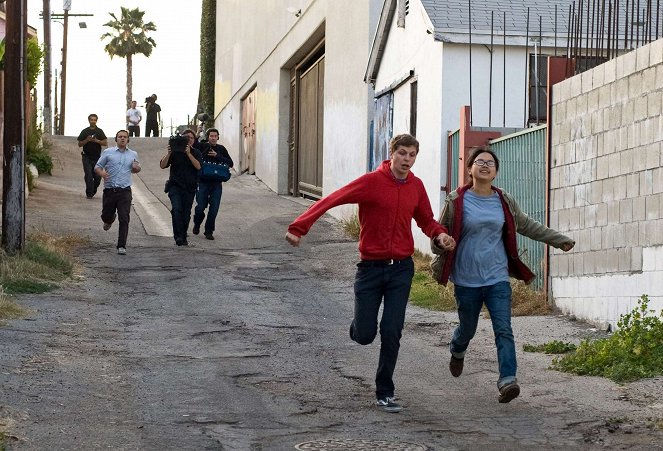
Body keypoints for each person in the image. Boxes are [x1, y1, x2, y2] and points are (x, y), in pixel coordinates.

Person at [285, 134, 455, 413]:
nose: (407, 160)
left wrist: (440, 236)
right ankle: (359, 326)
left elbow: (425, 219)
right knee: (365, 334)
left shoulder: (416, 186)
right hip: (370, 270)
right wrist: (299, 227)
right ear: (392, 154)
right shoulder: (371, 182)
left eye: (412, 155)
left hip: (401, 268)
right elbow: (331, 200)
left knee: (392, 330)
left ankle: (384, 391)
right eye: (402, 153)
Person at [430, 145, 575, 404]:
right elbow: (439, 233)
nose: (485, 166)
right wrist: (441, 242)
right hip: (466, 278)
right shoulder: (456, 200)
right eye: (479, 162)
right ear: (470, 169)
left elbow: (527, 225)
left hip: (497, 277)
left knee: (504, 329)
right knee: (467, 329)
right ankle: (457, 349)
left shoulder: (503, 200)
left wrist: (558, 239)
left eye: (490, 163)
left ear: (495, 172)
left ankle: (507, 380)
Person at [94, 130, 141, 255]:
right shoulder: (108, 152)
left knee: (124, 218)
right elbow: (97, 167)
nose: (122, 139)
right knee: (106, 215)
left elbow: (136, 168)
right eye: (120, 137)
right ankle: (109, 219)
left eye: (125, 137)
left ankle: (121, 245)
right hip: (110, 190)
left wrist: (136, 169)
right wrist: (102, 173)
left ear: (128, 140)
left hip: (125, 191)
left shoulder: (133, 154)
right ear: (116, 139)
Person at [160, 129, 202, 246]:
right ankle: (178, 236)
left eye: (192, 138)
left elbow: (198, 167)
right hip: (175, 186)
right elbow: (163, 165)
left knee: (186, 213)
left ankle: (183, 236)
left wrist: (188, 153)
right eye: (186, 138)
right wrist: (169, 153)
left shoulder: (196, 152)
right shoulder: (175, 151)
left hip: (189, 187)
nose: (189, 140)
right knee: (177, 209)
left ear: (194, 141)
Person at [193, 128, 234, 240]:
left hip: (216, 183)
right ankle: (197, 223)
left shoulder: (221, 149)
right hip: (203, 182)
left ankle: (209, 231)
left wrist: (217, 156)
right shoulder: (202, 146)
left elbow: (230, 163)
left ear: (218, 137)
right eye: (211, 136)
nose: (213, 138)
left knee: (214, 208)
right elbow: (194, 146)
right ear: (208, 137)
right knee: (200, 207)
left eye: (215, 136)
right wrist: (197, 133)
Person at [77, 114, 108, 199]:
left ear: (96, 121)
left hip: (97, 157)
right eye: (91, 120)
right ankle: (89, 193)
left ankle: (93, 189)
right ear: (89, 120)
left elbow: (105, 143)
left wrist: (96, 140)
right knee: (88, 175)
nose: (93, 121)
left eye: (94, 120)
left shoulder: (99, 131)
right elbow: (79, 144)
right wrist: (87, 140)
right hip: (86, 156)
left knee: (97, 177)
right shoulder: (85, 131)